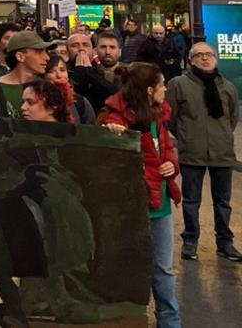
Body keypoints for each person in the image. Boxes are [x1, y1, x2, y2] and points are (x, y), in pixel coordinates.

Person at [100, 63, 182, 328]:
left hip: (161, 204)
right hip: (131, 207)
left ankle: (170, 322)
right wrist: (113, 136)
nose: (165, 89)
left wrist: (171, 165)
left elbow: (166, 149)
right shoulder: (116, 119)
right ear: (149, 90)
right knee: (126, 268)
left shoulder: (159, 115)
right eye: (162, 85)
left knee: (163, 270)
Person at [166, 43, 242, 262]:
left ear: (215, 58)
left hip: (222, 152)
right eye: (199, 55)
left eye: (209, 54)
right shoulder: (179, 84)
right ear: (191, 60)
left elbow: (232, 118)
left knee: (223, 202)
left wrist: (223, 136)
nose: (205, 58)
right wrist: (186, 137)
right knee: (191, 200)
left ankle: (225, 243)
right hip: (192, 152)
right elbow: (170, 118)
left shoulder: (227, 86)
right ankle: (190, 240)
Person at [0, 30, 52, 118]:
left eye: (46, 52)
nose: (47, 57)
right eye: (39, 52)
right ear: (20, 56)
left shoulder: (46, 87)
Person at [66, 31, 119, 113]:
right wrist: (79, 70)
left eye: (85, 45)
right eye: (75, 46)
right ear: (67, 51)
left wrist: (89, 70)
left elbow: (113, 95)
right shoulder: (63, 70)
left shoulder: (102, 69)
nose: (81, 49)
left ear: (93, 51)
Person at [43, 55, 94, 124]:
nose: (59, 75)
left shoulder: (80, 102)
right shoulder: (38, 101)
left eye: (62, 70)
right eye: (51, 71)